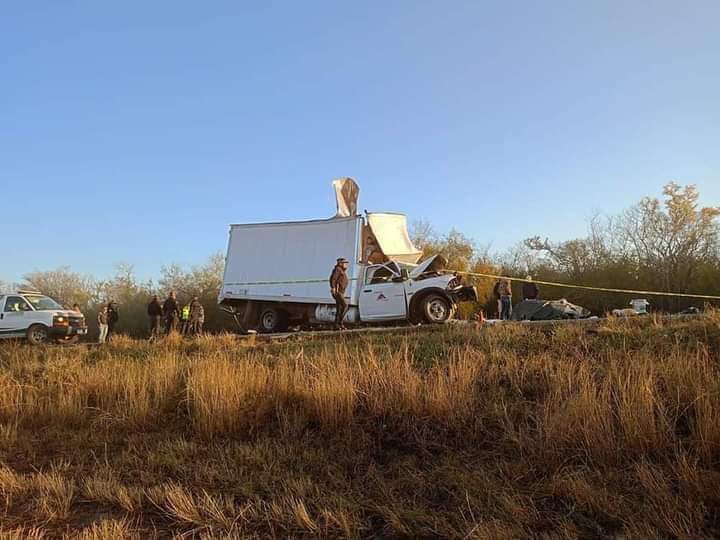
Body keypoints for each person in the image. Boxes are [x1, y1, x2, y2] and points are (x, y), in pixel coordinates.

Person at [329, 257, 350, 330]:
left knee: (339, 309)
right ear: (340, 263)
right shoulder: (338, 269)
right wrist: (333, 288)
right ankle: (340, 323)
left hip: (341, 291)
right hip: (338, 292)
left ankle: (336, 325)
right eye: (345, 263)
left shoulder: (341, 270)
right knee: (345, 306)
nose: (346, 264)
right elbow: (333, 279)